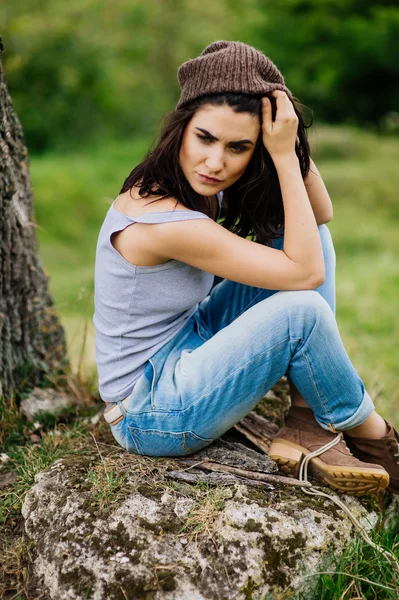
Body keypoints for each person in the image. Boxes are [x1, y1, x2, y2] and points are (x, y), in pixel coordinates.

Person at [93, 41, 399, 496]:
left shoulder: (194, 185)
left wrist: (287, 143)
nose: (215, 163)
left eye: (238, 147)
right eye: (205, 138)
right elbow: (306, 277)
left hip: (186, 346)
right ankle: (373, 436)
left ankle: (306, 421)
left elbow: (321, 214)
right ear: (181, 127)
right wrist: (276, 156)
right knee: (301, 310)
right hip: (150, 413)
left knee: (307, 236)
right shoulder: (159, 217)